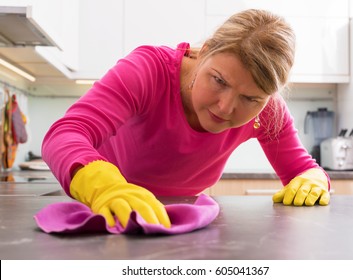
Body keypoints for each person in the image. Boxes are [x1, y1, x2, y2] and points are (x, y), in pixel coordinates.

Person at [42, 9, 330, 229]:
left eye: (250, 99)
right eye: (218, 80)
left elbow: (304, 171)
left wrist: (314, 180)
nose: (226, 107)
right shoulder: (148, 71)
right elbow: (65, 134)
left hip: (180, 225)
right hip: (106, 214)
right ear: (203, 52)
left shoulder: (268, 111)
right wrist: (104, 187)